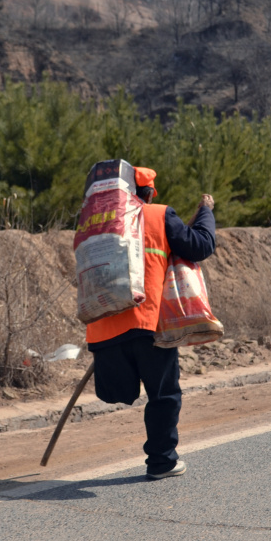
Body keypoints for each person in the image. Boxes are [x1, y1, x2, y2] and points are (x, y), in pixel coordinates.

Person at [85, 167, 217, 479]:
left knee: (117, 391)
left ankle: (159, 455)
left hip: (102, 331)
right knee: (164, 395)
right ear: (148, 193)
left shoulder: (94, 224)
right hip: (148, 327)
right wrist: (206, 212)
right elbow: (200, 246)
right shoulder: (159, 215)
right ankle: (162, 462)